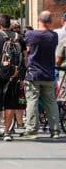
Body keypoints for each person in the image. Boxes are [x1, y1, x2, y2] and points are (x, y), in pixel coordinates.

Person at [0, 14, 27, 141]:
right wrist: (22, 75)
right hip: (15, 75)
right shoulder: (19, 38)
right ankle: (7, 132)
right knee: (10, 103)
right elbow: (25, 58)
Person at [20, 11, 61, 139]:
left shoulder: (31, 34)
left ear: (38, 20)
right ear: (50, 22)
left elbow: (25, 48)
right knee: (51, 102)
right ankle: (55, 130)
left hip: (33, 73)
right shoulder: (53, 36)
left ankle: (32, 130)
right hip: (49, 73)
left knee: (32, 101)